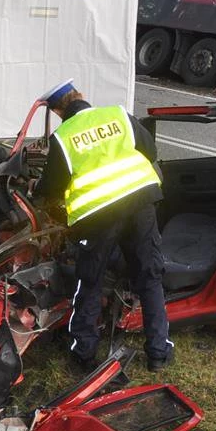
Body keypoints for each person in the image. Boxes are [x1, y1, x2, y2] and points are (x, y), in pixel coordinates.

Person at [31, 80, 173, 372]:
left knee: (90, 281)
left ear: (58, 111)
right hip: (141, 202)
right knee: (149, 276)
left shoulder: (63, 136)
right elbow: (151, 150)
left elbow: (52, 188)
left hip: (99, 215)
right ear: (82, 97)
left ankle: (84, 354)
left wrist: (35, 189)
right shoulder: (118, 115)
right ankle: (158, 353)